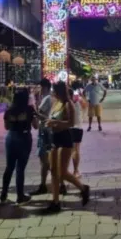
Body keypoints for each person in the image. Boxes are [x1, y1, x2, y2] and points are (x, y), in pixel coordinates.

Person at [44, 81, 90, 214]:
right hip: (54, 138)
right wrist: (48, 122)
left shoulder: (68, 104)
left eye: (54, 91)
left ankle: (83, 188)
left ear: (59, 91)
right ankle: (55, 201)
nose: (53, 93)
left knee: (62, 172)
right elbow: (51, 117)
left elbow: (71, 123)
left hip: (65, 138)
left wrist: (55, 123)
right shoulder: (55, 103)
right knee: (53, 170)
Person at [0, 89, 36, 205]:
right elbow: (36, 126)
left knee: (9, 167)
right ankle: (20, 195)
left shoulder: (9, 110)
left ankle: (3, 193)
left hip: (11, 137)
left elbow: (6, 127)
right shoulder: (29, 109)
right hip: (24, 138)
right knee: (20, 168)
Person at [30, 79, 53, 196]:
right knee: (46, 160)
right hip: (45, 130)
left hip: (45, 131)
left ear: (45, 87)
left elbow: (41, 115)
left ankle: (45, 184)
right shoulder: (46, 98)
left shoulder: (47, 98)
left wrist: (33, 112)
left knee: (44, 159)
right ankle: (58, 182)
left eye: (40, 87)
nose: (38, 89)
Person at [69, 85, 85, 177]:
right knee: (76, 150)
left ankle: (66, 171)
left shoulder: (66, 104)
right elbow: (85, 106)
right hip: (78, 127)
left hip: (68, 128)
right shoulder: (78, 102)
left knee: (70, 150)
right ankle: (76, 171)